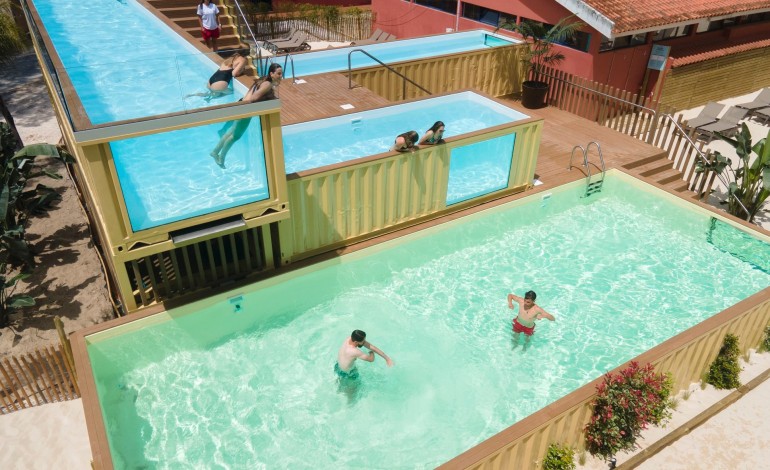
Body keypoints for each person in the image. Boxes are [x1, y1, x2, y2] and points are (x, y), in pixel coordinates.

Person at [210, 63, 282, 169]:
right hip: (246, 109)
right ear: (271, 74)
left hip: (242, 104)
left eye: (281, 73)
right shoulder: (267, 85)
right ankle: (221, 158)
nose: (281, 76)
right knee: (235, 136)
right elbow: (253, 99)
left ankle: (215, 151)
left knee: (231, 131)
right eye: (279, 74)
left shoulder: (263, 79)